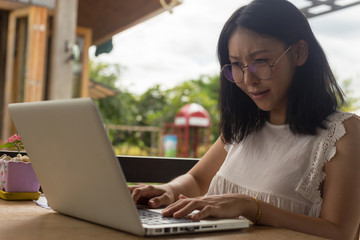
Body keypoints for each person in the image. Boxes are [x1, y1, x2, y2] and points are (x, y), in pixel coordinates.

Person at [129, 0, 360, 239]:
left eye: (259, 61)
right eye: (237, 65)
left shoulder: (342, 133)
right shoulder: (244, 127)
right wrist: (167, 190)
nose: (248, 80)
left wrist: (251, 206)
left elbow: (341, 231)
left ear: (299, 53)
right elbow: (196, 180)